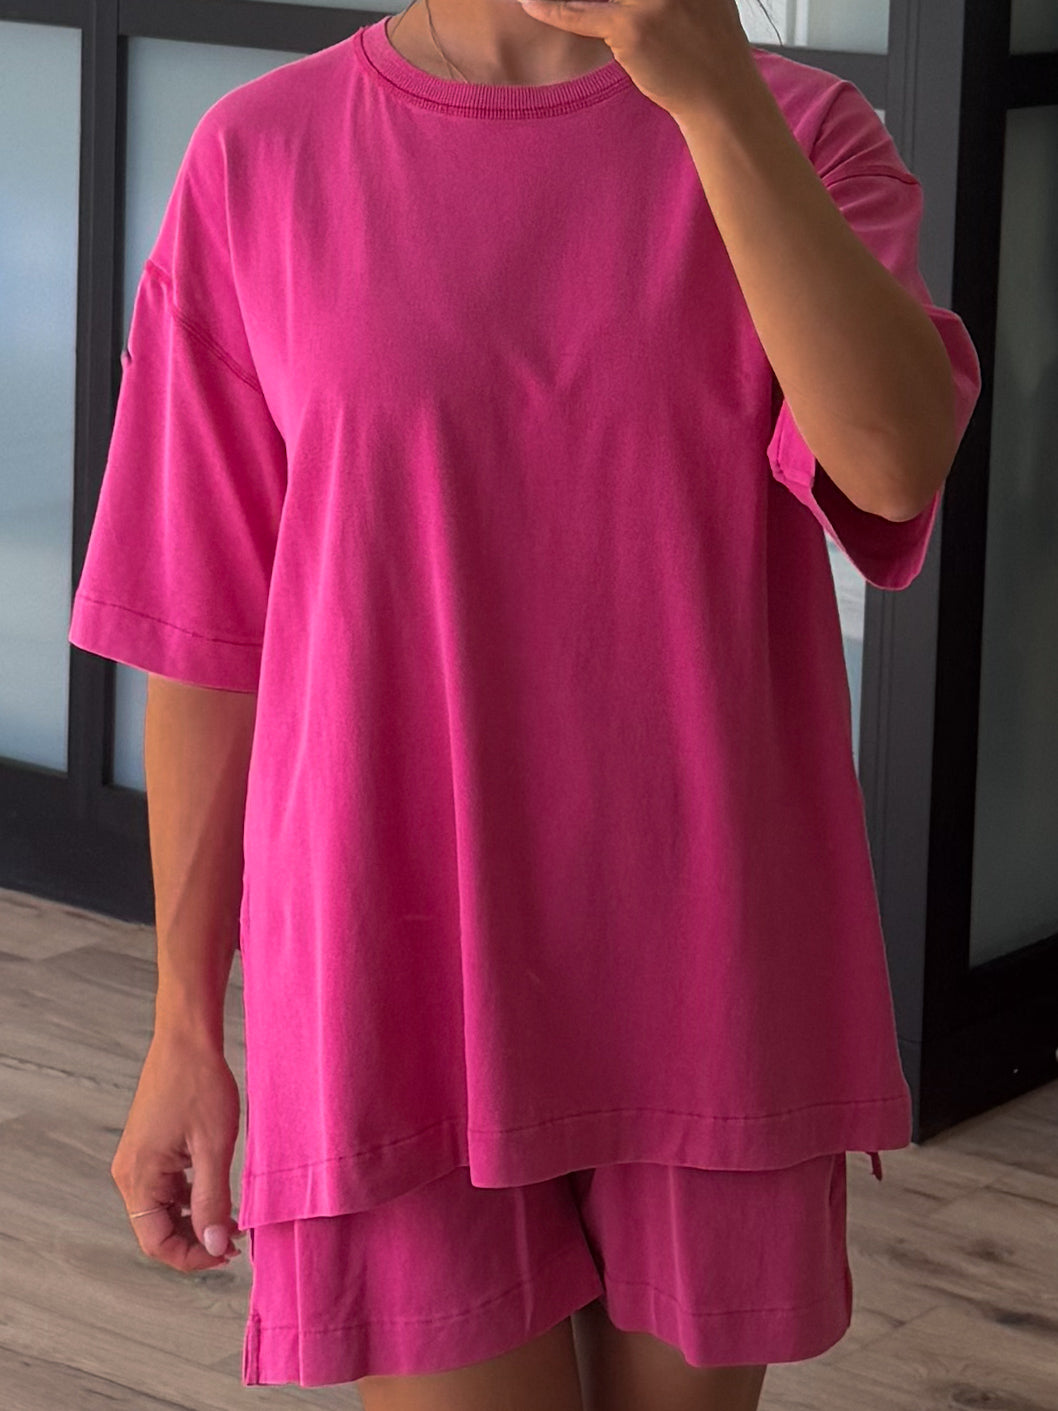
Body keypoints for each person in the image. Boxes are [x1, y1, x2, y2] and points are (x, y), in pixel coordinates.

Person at [68, 0, 982, 1407]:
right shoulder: (262, 157)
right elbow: (204, 632)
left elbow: (892, 460)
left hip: (711, 960)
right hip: (391, 966)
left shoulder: (800, 131)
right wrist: (183, 1025)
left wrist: (713, 100)